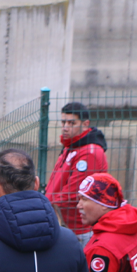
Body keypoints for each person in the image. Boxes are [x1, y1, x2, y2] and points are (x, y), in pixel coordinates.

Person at [46, 102, 108, 246]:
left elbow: (74, 192)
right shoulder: (72, 145)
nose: (65, 127)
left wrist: (45, 206)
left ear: (85, 124)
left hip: (79, 229)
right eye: (63, 122)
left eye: (71, 123)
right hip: (66, 224)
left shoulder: (89, 153)